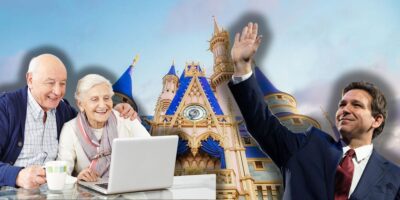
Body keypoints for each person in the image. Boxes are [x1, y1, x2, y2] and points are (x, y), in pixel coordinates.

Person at [228, 22, 400, 199]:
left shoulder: (395, 177)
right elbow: (262, 123)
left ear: (377, 120)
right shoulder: (306, 146)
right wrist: (242, 67)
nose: (345, 110)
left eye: (356, 105)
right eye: (342, 105)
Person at [0, 54, 137, 189]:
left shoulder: (63, 111)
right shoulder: (5, 108)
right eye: (50, 83)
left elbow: (88, 117)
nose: (58, 91)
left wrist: (115, 110)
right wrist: (17, 176)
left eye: (63, 83)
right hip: (12, 192)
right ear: (30, 80)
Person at [57, 74, 150, 182]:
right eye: (94, 99)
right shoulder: (70, 129)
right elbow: (61, 174)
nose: (102, 105)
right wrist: (77, 180)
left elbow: (152, 151)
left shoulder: (126, 119)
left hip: (130, 186)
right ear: (81, 104)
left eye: (106, 98)